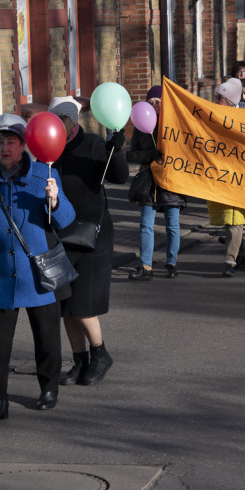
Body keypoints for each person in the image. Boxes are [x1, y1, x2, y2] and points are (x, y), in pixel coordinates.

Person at [0, 114, 75, 423]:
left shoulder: (44, 175)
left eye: (11, 141)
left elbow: (66, 220)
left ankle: (48, 388)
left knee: (47, 339)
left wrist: (54, 201)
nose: (5, 147)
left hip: (37, 276)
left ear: (24, 144)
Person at [49, 96, 128, 387]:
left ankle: (100, 354)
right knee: (64, 302)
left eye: (64, 121)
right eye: (54, 121)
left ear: (73, 121)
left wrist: (116, 150)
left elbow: (119, 176)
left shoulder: (93, 144)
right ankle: (79, 360)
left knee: (83, 302)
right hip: (61, 231)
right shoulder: (49, 150)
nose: (59, 126)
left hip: (93, 231)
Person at [126, 86, 186, 279]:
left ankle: (171, 262)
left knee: (172, 225)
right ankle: (146, 265)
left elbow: (186, 150)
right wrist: (150, 155)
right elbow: (133, 153)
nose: (154, 106)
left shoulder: (175, 124)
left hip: (171, 180)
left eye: (158, 102)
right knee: (145, 224)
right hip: (149, 181)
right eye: (150, 102)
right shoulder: (141, 124)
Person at [208, 78, 245, 277]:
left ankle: (229, 260)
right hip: (220, 174)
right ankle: (239, 252)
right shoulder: (211, 117)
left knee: (236, 219)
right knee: (228, 219)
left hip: (240, 176)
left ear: (231, 101)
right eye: (215, 96)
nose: (215, 100)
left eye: (220, 97)